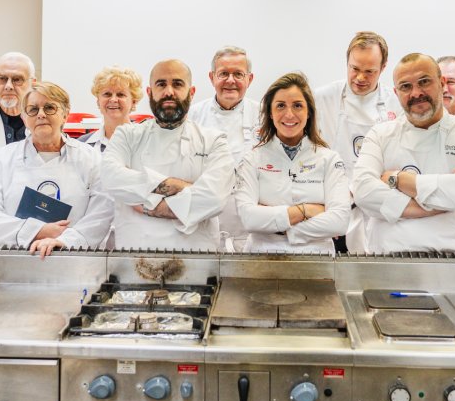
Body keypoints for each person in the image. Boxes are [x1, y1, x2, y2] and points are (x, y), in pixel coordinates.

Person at [353, 53, 455, 254]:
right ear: (396, 92)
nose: (416, 93)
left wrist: (397, 179)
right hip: (387, 265)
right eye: (405, 86)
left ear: (442, 83)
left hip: (453, 264)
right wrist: (438, 205)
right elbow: (363, 191)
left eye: (424, 82)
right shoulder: (380, 135)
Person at [101, 59, 232, 251]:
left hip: (197, 261)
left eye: (177, 84)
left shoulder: (213, 141)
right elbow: (111, 177)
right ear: (149, 92)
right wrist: (186, 187)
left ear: (191, 92)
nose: (169, 91)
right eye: (161, 84)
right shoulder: (127, 135)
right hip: (135, 259)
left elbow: (214, 198)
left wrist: (147, 206)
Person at [0, 82, 114, 258]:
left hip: (74, 260)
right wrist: (38, 231)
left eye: (49, 108)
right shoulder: (3, 159)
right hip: (18, 263)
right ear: (24, 118)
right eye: (33, 110)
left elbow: (101, 215)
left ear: (65, 114)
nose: (41, 114)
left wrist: (65, 241)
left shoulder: (91, 159)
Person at [234, 73, 350, 254]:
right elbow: (249, 218)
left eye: (297, 105)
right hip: (260, 259)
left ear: (309, 112)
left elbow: (340, 221)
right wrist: (306, 210)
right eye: (280, 106)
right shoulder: (252, 159)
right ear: (270, 113)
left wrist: (279, 228)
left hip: (318, 261)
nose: (289, 114)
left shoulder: (329, 159)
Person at [315, 31, 401, 253]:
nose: (361, 78)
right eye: (355, 69)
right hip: (330, 204)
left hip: (375, 209)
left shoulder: (396, 105)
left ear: (383, 68)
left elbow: (398, 162)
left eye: (369, 71)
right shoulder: (323, 98)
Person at [189, 46, 258, 250]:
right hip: (203, 228)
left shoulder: (265, 116)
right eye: (223, 74)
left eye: (238, 74)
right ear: (212, 78)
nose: (230, 81)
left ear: (249, 79)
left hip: (250, 231)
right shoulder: (192, 117)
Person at [79, 66, 144, 153]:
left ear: (134, 102)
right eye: (107, 94)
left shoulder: (147, 142)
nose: (113, 99)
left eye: (120, 94)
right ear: (98, 101)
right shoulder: (81, 145)